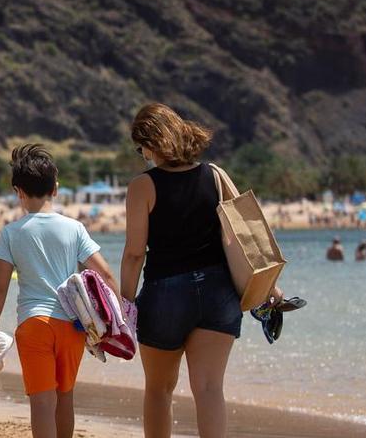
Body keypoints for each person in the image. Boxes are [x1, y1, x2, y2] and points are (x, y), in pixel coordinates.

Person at [120, 103, 281, 438]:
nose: (142, 154)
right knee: (209, 390)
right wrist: (271, 288)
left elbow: (135, 253)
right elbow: (248, 235)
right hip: (218, 293)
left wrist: (125, 302)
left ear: (150, 143)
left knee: (159, 390)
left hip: (165, 294)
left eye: (140, 148)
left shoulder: (143, 187)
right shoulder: (214, 174)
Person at [0, 144, 119, 438]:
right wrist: (121, 317)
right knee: (65, 397)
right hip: (71, 325)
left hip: (33, 324)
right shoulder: (75, 228)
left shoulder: (12, 233)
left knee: (42, 403)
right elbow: (105, 273)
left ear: (18, 191)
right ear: (55, 188)